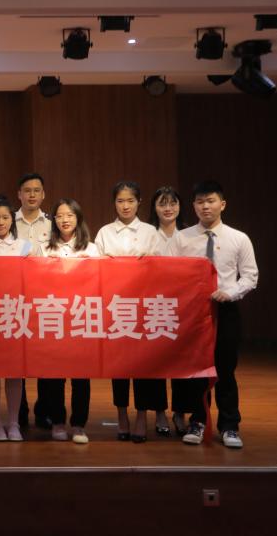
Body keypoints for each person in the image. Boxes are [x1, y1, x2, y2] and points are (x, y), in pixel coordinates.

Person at [172, 181, 258, 449]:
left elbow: (250, 276)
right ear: (193, 206)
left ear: (223, 204)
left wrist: (229, 293)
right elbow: (170, 273)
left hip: (226, 309)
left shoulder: (238, 238)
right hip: (193, 312)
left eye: (210, 201)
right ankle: (198, 421)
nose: (205, 207)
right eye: (199, 202)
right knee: (197, 370)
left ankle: (230, 425)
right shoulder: (181, 238)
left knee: (225, 369)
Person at [94, 181, 169, 443]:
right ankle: (122, 415)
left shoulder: (151, 232)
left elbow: (162, 269)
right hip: (115, 308)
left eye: (130, 201)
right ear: (113, 203)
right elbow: (95, 270)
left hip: (143, 307)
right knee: (119, 366)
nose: (125, 206)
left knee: (143, 365)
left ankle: (141, 416)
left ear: (139, 202)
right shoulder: (104, 232)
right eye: (120, 201)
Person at [0, 196, 39, 442]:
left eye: (5, 217)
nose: (0, 222)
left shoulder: (26, 246)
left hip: (16, 315)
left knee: (14, 372)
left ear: (12, 219)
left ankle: (13, 423)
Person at [39, 198, 98, 444]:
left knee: (81, 376)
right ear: (54, 220)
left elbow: (101, 282)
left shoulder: (92, 249)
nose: (65, 220)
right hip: (53, 317)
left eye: (70, 215)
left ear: (78, 218)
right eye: (60, 215)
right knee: (55, 375)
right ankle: (58, 421)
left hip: (82, 317)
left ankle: (79, 424)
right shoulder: (44, 248)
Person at [150, 186, 192, 436]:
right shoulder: (147, 234)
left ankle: (180, 411)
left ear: (180, 206)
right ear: (154, 208)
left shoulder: (189, 234)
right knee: (156, 362)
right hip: (154, 305)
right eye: (162, 203)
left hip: (183, 306)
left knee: (181, 362)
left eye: (173, 203)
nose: (168, 208)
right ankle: (159, 412)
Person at [14, 172, 50, 429]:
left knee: (44, 356)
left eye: (37, 190)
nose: (32, 195)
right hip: (15, 298)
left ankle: (44, 409)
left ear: (43, 194)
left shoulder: (52, 224)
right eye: (27, 190)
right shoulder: (7, 221)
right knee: (18, 358)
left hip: (45, 300)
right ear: (19, 194)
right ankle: (20, 409)